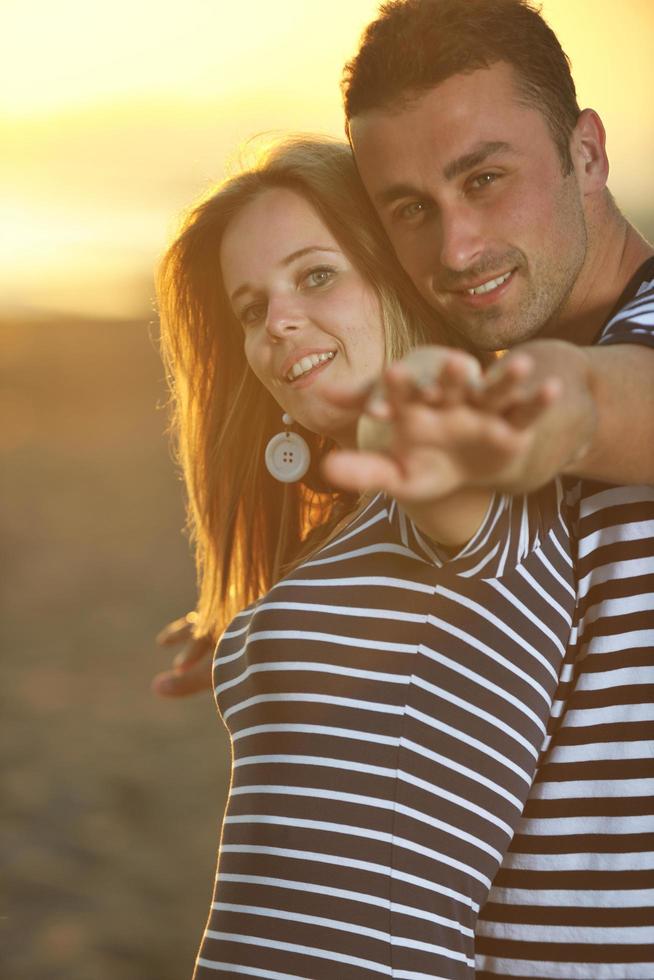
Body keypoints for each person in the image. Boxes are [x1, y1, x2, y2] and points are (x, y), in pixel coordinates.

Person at [156, 135, 577, 979]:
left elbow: (462, 489)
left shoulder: (480, 489)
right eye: (251, 308)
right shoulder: (362, 529)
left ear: (399, 276)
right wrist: (241, 629)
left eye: (316, 275)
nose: (276, 320)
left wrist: (407, 413)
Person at [333, 1, 653, 977]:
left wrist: (559, 412)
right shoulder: (451, 414)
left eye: (486, 178)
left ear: (587, 152)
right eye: (412, 209)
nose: (458, 249)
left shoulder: (535, 398)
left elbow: (618, 397)